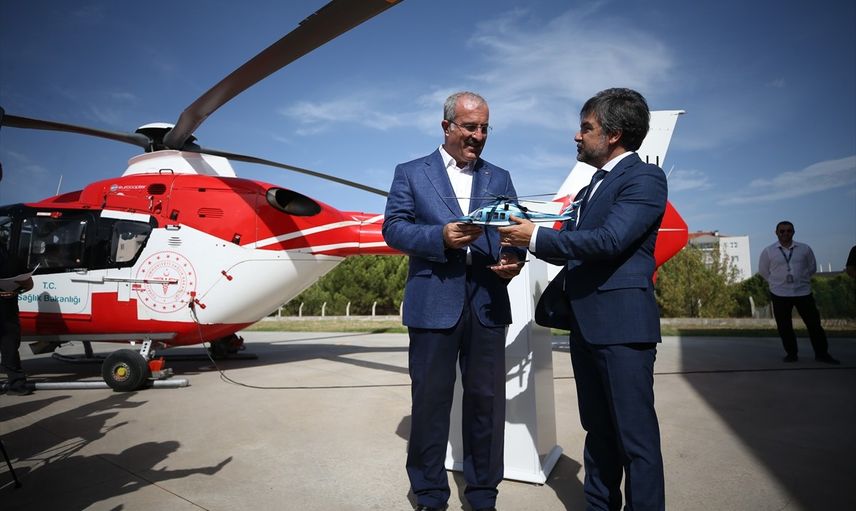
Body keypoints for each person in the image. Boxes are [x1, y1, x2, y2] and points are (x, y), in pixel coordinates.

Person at [498, 88, 667, 510]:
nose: (577, 135)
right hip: (586, 326)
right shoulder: (592, 186)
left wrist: (534, 236)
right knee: (598, 431)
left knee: (635, 440)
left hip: (623, 330)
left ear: (613, 134)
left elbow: (609, 241)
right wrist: (522, 236)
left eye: (586, 128)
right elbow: (568, 246)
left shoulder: (644, 179)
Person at [382, 91, 523, 511]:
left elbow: (515, 230)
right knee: (430, 403)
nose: (478, 135)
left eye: (484, 128)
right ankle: (429, 494)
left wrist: (514, 258)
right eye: (470, 127)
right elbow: (393, 228)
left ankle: (483, 494)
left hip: (487, 301)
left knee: (486, 403)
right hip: (432, 303)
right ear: (447, 126)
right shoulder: (411, 173)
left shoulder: (500, 177)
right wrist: (440, 237)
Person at [758, 221, 840, 364]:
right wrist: (775, 283)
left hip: (803, 292)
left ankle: (822, 354)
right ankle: (791, 354)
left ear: (793, 232)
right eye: (782, 231)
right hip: (780, 294)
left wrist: (801, 280)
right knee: (785, 326)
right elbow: (763, 271)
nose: (785, 233)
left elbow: (812, 268)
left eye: (789, 231)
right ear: (776, 233)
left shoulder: (804, 249)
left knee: (814, 325)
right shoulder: (768, 251)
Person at [1, 226, 34, 396]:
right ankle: (17, 384)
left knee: (10, 347)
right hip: (8, 310)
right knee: (10, 349)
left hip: (7, 311)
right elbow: (29, 284)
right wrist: (14, 292)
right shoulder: (14, 259)